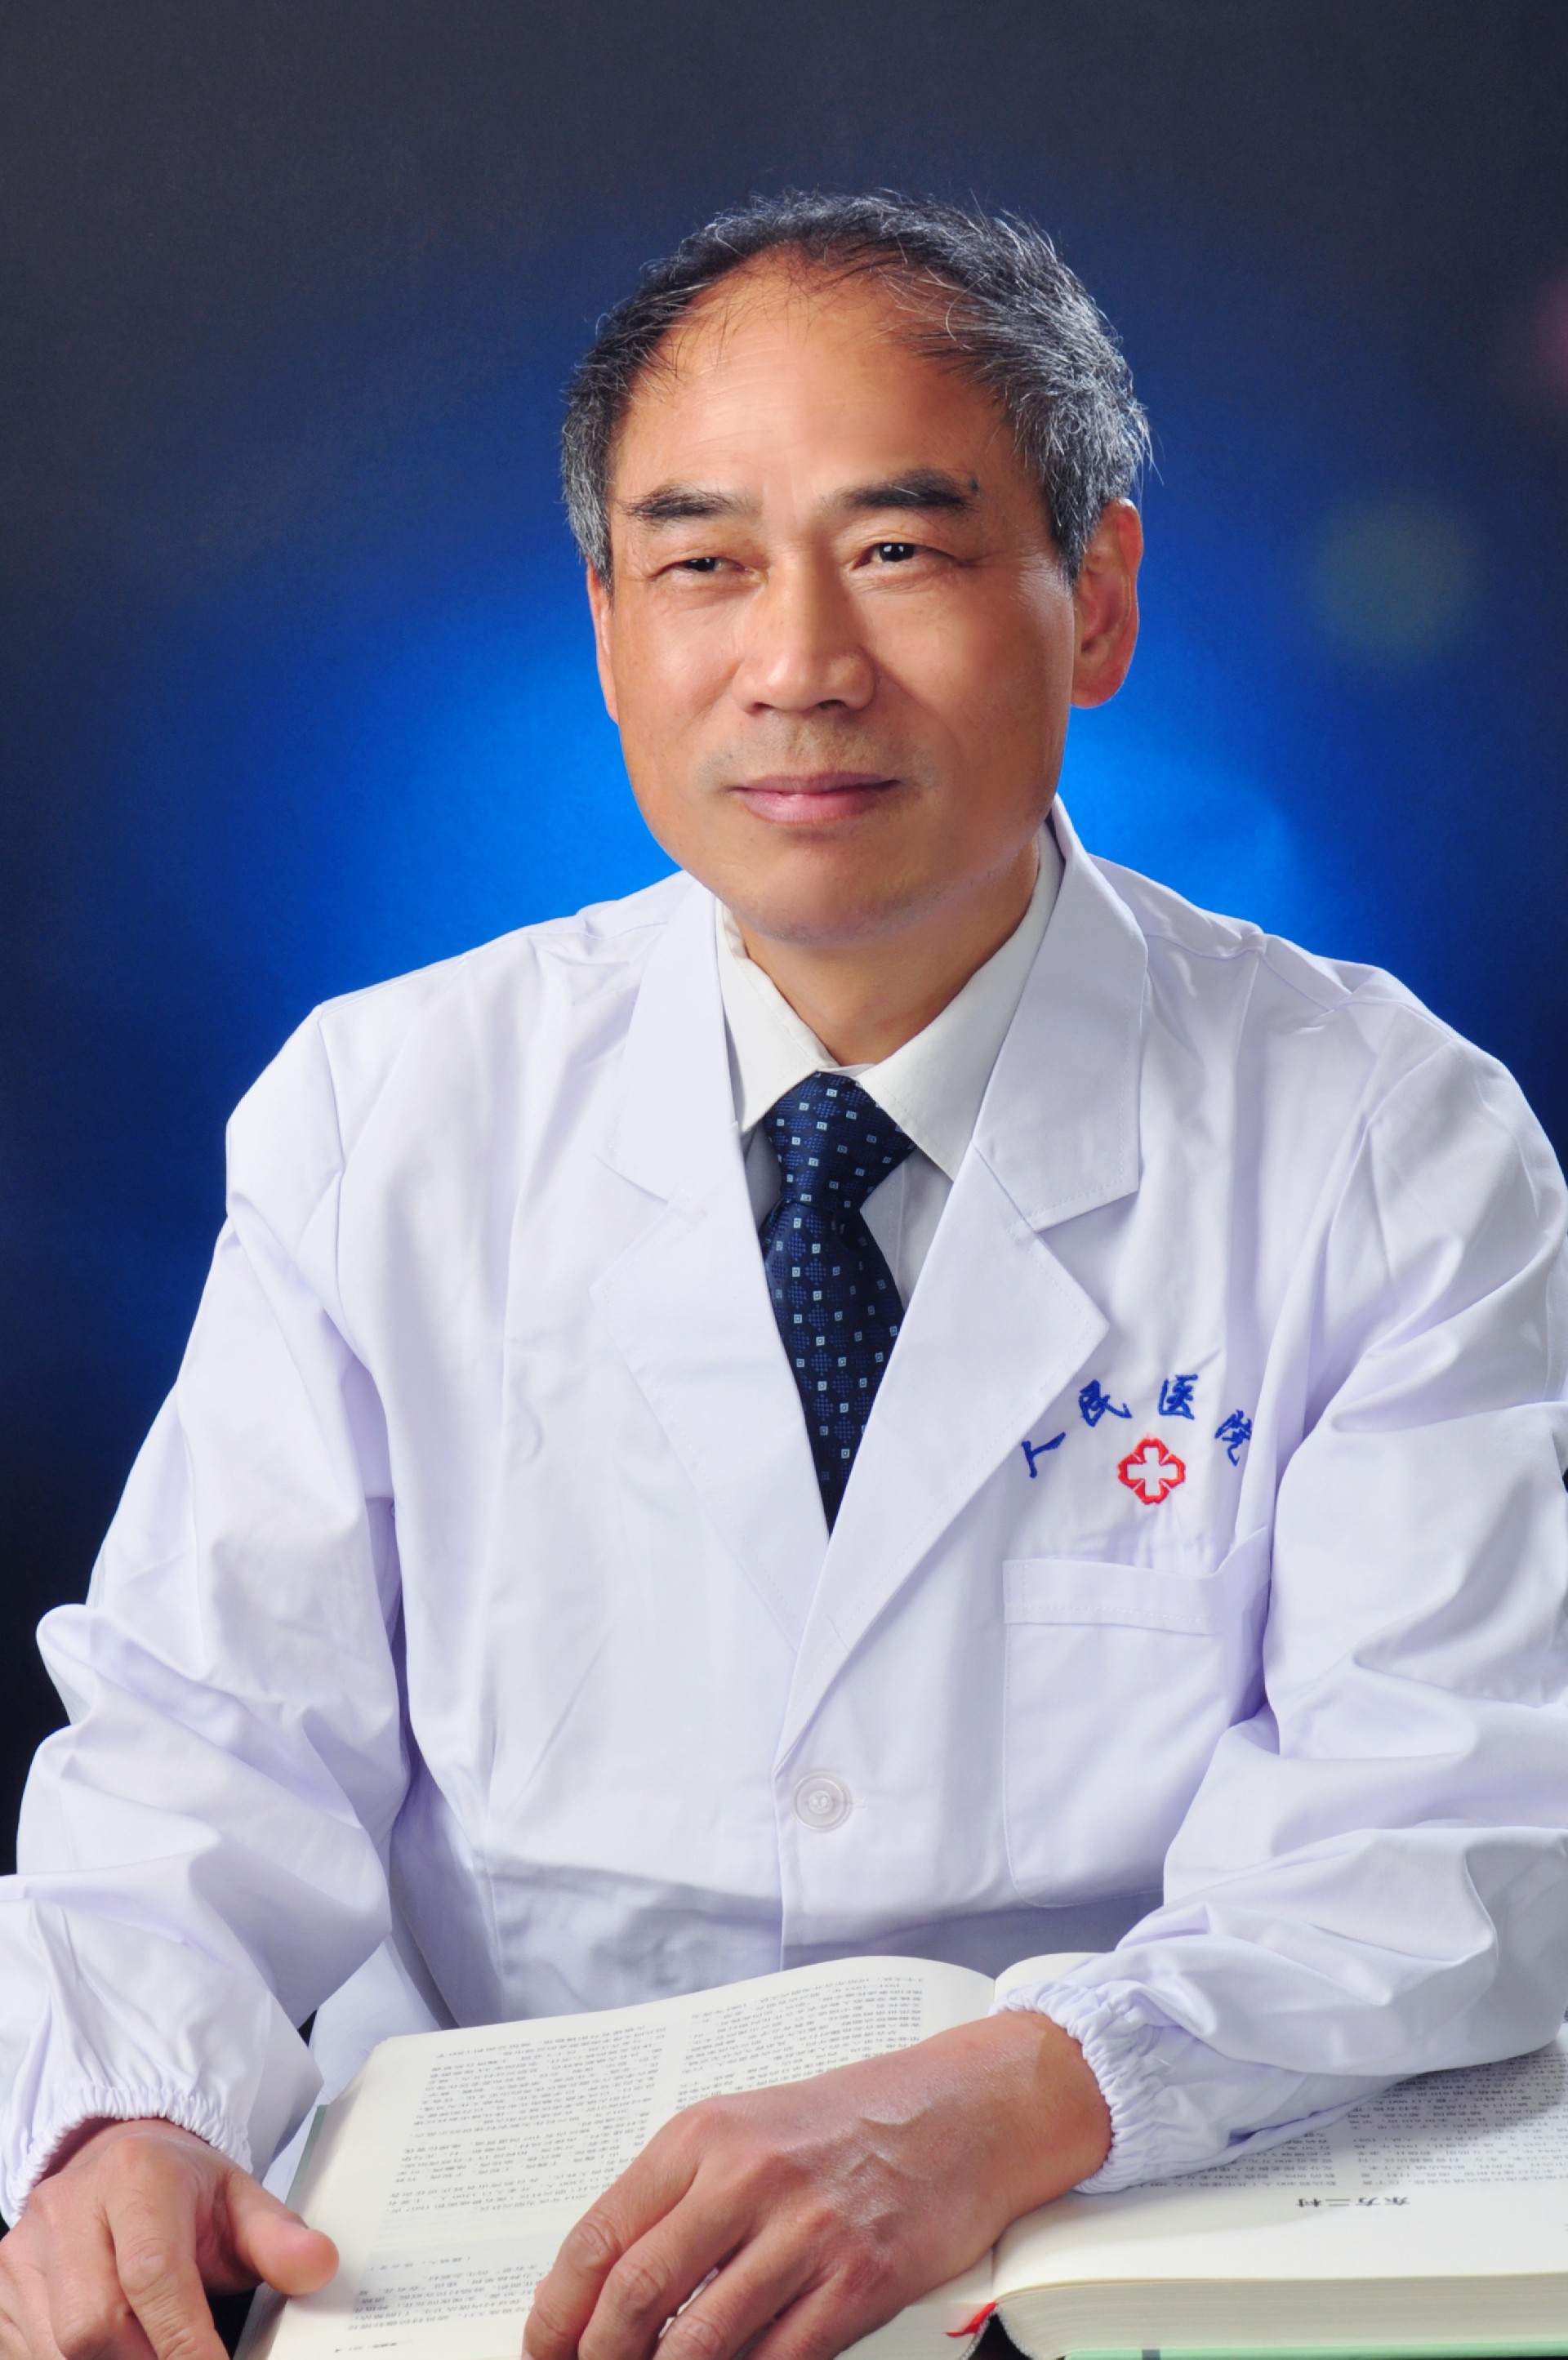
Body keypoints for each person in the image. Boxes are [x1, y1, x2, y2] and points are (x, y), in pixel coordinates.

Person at [2, 189, 1567, 2360]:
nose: (801, 663)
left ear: (1099, 598)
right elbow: (206, 1745)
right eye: (703, 562)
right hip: (514, 2268)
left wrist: (1025, 2094)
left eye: (901, 548)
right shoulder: (388, 1111)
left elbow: (1463, 1803)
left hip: (1148, 2219)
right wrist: (122, 2118)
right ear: (607, 624)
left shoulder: (1386, 1133)